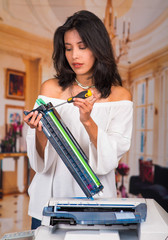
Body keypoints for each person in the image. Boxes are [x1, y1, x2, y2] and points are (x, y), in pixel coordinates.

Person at [24, 10, 133, 229]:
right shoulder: (51, 89)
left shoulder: (120, 96)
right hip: (48, 201)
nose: (74, 56)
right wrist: (38, 131)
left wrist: (88, 121)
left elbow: (110, 159)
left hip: (96, 203)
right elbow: (40, 163)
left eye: (82, 47)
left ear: (98, 47)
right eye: (68, 48)